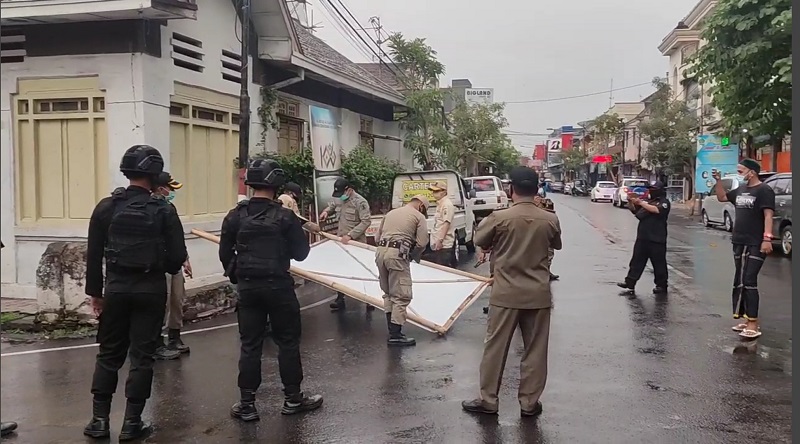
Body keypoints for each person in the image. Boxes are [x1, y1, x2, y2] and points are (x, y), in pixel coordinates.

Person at [84, 145, 188, 441]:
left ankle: (99, 421)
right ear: (155, 175)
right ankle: (132, 423)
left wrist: (96, 293)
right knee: (142, 356)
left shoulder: (106, 207)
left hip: (115, 289)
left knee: (108, 354)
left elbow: (94, 256)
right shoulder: (164, 210)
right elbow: (176, 258)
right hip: (151, 291)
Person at [219, 158, 323, 421]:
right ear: (276, 184)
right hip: (278, 287)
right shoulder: (286, 217)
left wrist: (238, 274)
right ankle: (292, 399)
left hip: (248, 289)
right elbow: (301, 254)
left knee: (250, 344)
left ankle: (247, 404)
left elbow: (224, 253)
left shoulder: (235, 216)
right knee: (287, 343)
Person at [462, 166, 562, 418]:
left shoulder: (499, 217)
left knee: (495, 348)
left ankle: (489, 401)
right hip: (538, 295)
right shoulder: (550, 218)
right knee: (535, 350)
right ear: (537, 189)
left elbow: (480, 240)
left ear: (511, 189)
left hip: (505, 294)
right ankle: (529, 403)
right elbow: (556, 244)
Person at [712, 159, 775, 340]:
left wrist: (767, 238)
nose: (739, 174)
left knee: (749, 280)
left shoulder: (764, 190)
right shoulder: (740, 189)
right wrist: (718, 181)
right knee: (740, 280)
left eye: (741, 171)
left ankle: (753, 323)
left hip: (756, 242)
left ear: (752, 172)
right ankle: (747, 319)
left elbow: (768, 216)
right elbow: (722, 197)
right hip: (739, 240)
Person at [374, 195, 430, 346]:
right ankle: (395, 335)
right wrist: (413, 256)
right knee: (401, 294)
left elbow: (377, 237)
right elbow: (422, 242)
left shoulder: (391, 213)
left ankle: (391, 330)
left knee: (388, 293)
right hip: (397, 255)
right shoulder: (419, 217)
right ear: (421, 206)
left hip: (380, 253)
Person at [152, 172, 193, 360]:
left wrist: (185, 258)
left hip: (175, 262)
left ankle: (175, 337)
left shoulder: (169, 207)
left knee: (177, 299)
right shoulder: (151, 209)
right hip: (160, 264)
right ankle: (157, 342)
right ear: (160, 188)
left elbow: (176, 237)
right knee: (163, 302)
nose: (171, 192)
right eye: (169, 188)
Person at [318, 177, 372, 312]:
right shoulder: (340, 198)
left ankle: (369, 299)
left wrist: (351, 235)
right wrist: (326, 211)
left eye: (342, 192)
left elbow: (366, 221)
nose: (340, 196)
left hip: (356, 242)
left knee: (362, 271)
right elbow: (333, 205)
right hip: (341, 241)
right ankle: (340, 298)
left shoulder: (360, 202)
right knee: (341, 270)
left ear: (349, 190)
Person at [617, 181, 671, 295]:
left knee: (659, 264)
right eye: (651, 188)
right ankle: (630, 283)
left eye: (654, 188)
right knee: (636, 261)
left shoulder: (664, 202)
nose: (652, 190)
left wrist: (641, 202)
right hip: (643, 238)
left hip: (657, 239)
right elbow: (635, 212)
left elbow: (656, 210)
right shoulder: (649, 202)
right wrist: (631, 201)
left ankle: (661, 285)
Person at [428, 181, 456, 267]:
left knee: (444, 268)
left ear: (444, 192)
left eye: (437, 191)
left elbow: (446, 223)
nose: (434, 193)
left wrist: (440, 240)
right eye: (433, 191)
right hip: (439, 244)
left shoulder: (446, 205)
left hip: (444, 245)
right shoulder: (441, 204)